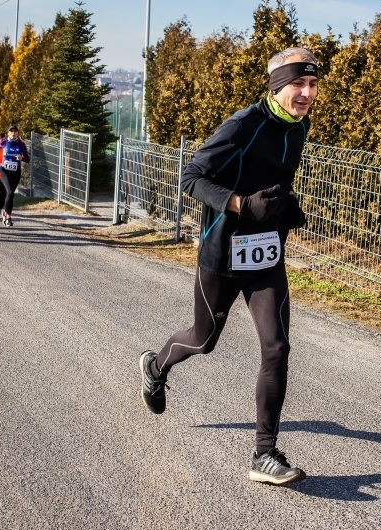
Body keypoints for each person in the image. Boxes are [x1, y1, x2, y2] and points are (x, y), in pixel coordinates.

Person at [139, 47, 315, 486]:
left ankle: (264, 453)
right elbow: (191, 177)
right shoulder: (242, 125)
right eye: (299, 84)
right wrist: (240, 204)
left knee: (277, 348)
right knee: (204, 339)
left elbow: (274, 177)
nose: (308, 93)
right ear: (278, 86)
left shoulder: (299, 125)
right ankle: (155, 368)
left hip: (265, 254)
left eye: (313, 84)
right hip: (221, 251)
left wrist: (284, 206)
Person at [0, 125, 30, 226]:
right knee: (9, 192)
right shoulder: (3, 142)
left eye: (15, 131)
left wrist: (21, 158)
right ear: (8, 133)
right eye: (11, 131)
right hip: (4, 171)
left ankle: (6, 212)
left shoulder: (21, 145)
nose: (13, 133)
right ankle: (8, 217)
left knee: (11, 194)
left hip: (16, 172)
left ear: (18, 133)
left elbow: (28, 159)